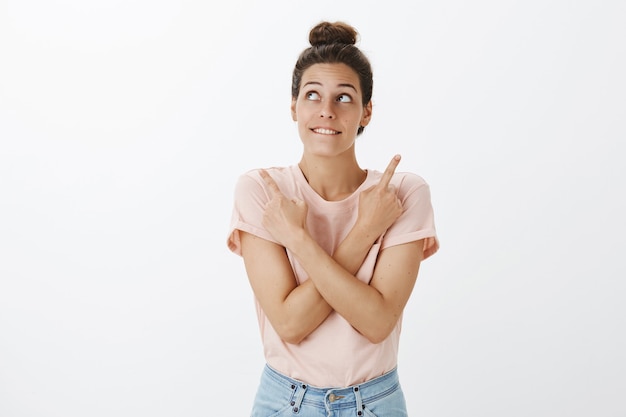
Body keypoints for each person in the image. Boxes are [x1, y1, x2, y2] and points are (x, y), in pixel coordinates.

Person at [227, 20, 439, 417]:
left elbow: (376, 322)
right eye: (312, 95)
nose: (326, 111)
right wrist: (364, 233)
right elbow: (291, 324)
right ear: (293, 107)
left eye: (344, 97)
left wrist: (298, 239)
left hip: (374, 402)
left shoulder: (402, 194)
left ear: (366, 112)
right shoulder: (262, 191)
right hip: (284, 402)